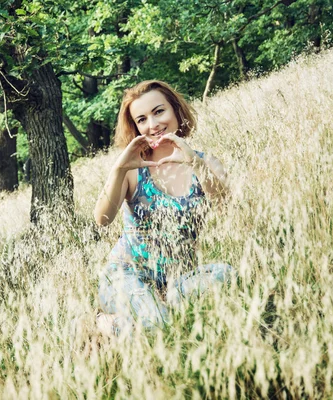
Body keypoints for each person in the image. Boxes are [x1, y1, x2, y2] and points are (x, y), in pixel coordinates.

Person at [94, 80, 233, 336]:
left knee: (227, 275)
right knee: (158, 326)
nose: (153, 124)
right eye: (142, 119)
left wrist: (196, 164)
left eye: (159, 112)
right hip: (126, 275)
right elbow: (102, 219)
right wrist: (118, 169)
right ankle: (101, 323)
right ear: (135, 127)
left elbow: (226, 208)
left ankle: (157, 308)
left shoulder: (205, 162)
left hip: (176, 281)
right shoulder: (133, 168)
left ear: (175, 110)